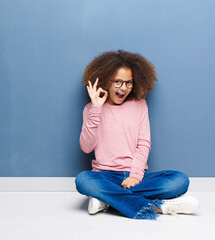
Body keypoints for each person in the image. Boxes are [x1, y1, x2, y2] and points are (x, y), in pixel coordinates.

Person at [75, 50, 199, 220]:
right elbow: (86, 146)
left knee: (180, 180)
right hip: (105, 175)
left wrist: (135, 175)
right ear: (105, 81)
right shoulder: (91, 109)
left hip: (137, 175)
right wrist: (96, 109)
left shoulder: (139, 105)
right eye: (117, 82)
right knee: (83, 180)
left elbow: (143, 143)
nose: (124, 88)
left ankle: (106, 200)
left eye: (128, 83)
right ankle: (160, 206)